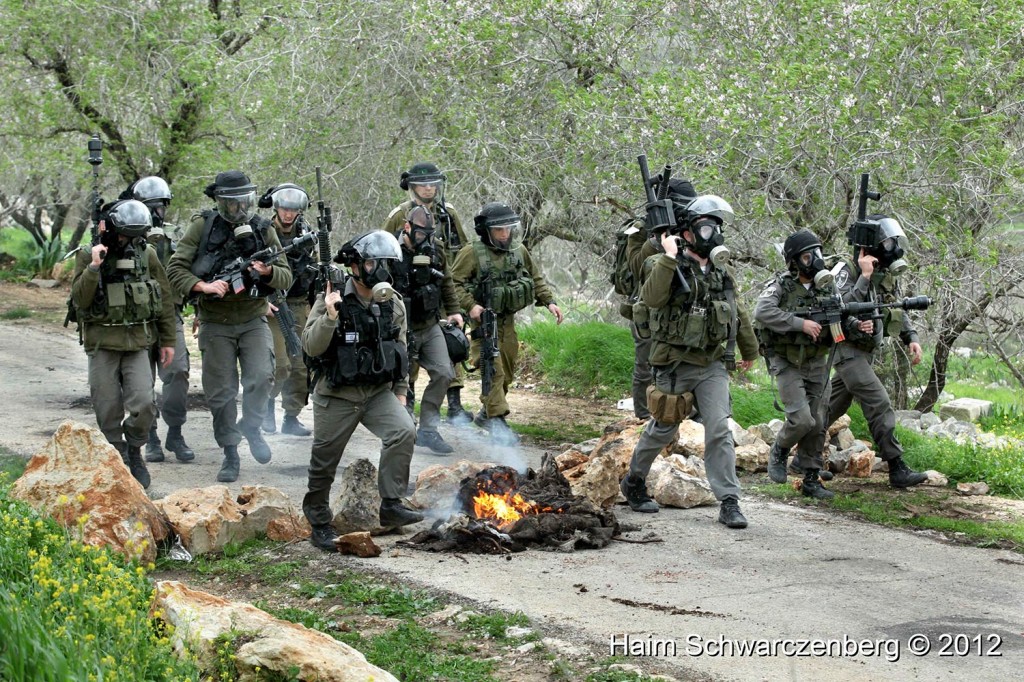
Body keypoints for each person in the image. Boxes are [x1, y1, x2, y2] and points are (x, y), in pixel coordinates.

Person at [620, 195, 758, 528]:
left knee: (719, 430)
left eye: (715, 227)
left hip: (711, 364)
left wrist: (749, 350)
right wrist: (669, 256)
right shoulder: (663, 264)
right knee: (662, 430)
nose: (711, 234)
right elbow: (651, 298)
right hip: (674, 362)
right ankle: (634, 481)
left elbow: (736, 310)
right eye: (704, 227)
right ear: (689, 232)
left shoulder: (721, 272)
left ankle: (729, 500)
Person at [166, 170, 292, 483]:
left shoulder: (264, 228)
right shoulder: (203, 226)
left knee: (263, 376)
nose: (238, 208)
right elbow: (175, 269)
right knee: (221, 393)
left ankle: (251, 425)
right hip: (215, 321)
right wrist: (202, 286)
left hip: (252, 318)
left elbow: (286, 276)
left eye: (243, 201)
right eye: (231, 202)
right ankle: (230, 450)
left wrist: (266, 273)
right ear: (219, 200)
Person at [301, 230, 423, 552]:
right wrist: (330, 315)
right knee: (324, 459)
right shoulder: (333, 296)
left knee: (403, 430)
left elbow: (400, 349)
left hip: (377, 392)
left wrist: (400, 391)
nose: (379, 270)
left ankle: (391, 502)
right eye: (371, 262)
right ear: (355, 265)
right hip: (337, 394)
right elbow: (311, 347)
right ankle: (318, 518)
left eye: (384, 263)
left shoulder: (393, 303)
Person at [71, 199, 177, 488]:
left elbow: (164, 300)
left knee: (144, 403)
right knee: (106, 407)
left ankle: (135, 450)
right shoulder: (88, 255)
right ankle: (116, 454)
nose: (131, 242)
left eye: (137, 236)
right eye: (126, 236)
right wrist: (94, 266)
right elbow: (79, 300)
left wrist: (168, 340)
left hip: (138, 343)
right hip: (103, 343)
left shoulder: (149, 255)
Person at [825, 214, 927, 489]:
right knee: (880, 403)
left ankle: (799, 455)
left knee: (829, 407)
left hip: (865, 352)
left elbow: (895, 306)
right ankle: (896, 466)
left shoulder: (884, 274)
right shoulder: (846, 270)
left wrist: (911, 337)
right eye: (886, 241)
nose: (892, 246)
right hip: (846, 349)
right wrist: (864, 276)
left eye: (893, 240)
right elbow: (839, 307)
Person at [450, 202, 563, 445]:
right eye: (499, 230)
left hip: (507, 322)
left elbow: (535, 277)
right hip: (483, 323)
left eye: (508, 229)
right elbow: (453, 284)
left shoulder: (518, 250)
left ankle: (486, 414)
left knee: (508, 372)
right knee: (493, 370)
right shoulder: (472, 252)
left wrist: (550, 301)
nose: (504, 234)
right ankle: (498, 423)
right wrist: (471, 306)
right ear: (487, 230)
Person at [383, 162, 474, 424]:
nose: (429, 188)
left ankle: (452, 407)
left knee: (450, 353)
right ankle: (406, 407)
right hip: (406, 297)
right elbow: (382, 249)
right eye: (423, 184)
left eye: (433, 183)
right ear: (411, 187)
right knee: (407, 358)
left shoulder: (448, 214)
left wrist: (456, 303)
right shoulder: (399, 215)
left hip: (440, 289)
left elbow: (462, 249)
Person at [118, 176, 196, 465]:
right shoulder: (123, 235)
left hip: (169, 314)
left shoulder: (175, 236)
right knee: (142, 382)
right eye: (149, 206)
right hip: (135, 320)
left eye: (160, 206)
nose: (155, 211)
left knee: (178, 372)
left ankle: (175, 432)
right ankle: (149, 435)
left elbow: (189, 270)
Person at [754, 229, 837, 499]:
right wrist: (800, 324)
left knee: (818, 421)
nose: (815, 260)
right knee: (801, 419)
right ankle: (779, 449)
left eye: (818, 254)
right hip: (786, 360)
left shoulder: (828, 286)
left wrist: (859, 324)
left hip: (816, 360)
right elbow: (762, 311)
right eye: (807, 256)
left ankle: (811, 478)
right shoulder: (780, 285)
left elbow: (841, 316)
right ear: (794, 261)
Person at [390, 205, 464, 454]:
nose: (424, 239)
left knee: (444, 372)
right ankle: (404, 428)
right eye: (420, 234)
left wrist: (454, 310)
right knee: (404, 379)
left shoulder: (436, 248)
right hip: (401, 326)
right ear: (407, 226)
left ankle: (429, 430)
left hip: (429, 323)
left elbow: (447, 281)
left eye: (428, 234)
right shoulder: (390, 249)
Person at [623, 177, 698, 420]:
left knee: (688, 362)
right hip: (647, 307)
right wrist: (656, 240)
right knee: (645, 365)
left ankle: (690, 416)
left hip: (680, 307)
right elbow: (635, 266)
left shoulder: (692, 225)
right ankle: (644, 417)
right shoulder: (640, 228)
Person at [258, 183, 316, 437]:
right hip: (273, 302)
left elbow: (315, 268)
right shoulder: (263, 232)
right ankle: (267, 405)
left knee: (302, 366)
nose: (288, 214)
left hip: (300, 302)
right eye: (283, 208)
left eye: (293, 209)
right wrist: (261, 302)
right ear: (276, 207)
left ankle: (291, 416)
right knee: (280, 365)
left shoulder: (308, 234)